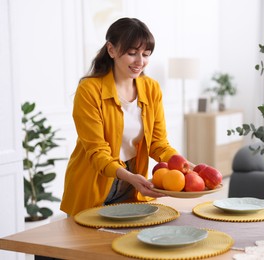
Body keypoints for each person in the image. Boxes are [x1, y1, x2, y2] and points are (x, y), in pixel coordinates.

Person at [60, 17, 180, 216]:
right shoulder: (89, 90)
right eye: (132, 53)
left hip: (131, 188)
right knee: (88, 246)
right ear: (111, 50)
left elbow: (159, 144)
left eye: (146, 54)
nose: (140, 62)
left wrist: (188, 167)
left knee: (129, 245)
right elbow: (97, 152)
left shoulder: (151, 88)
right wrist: (131, 177)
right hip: (92, 188)